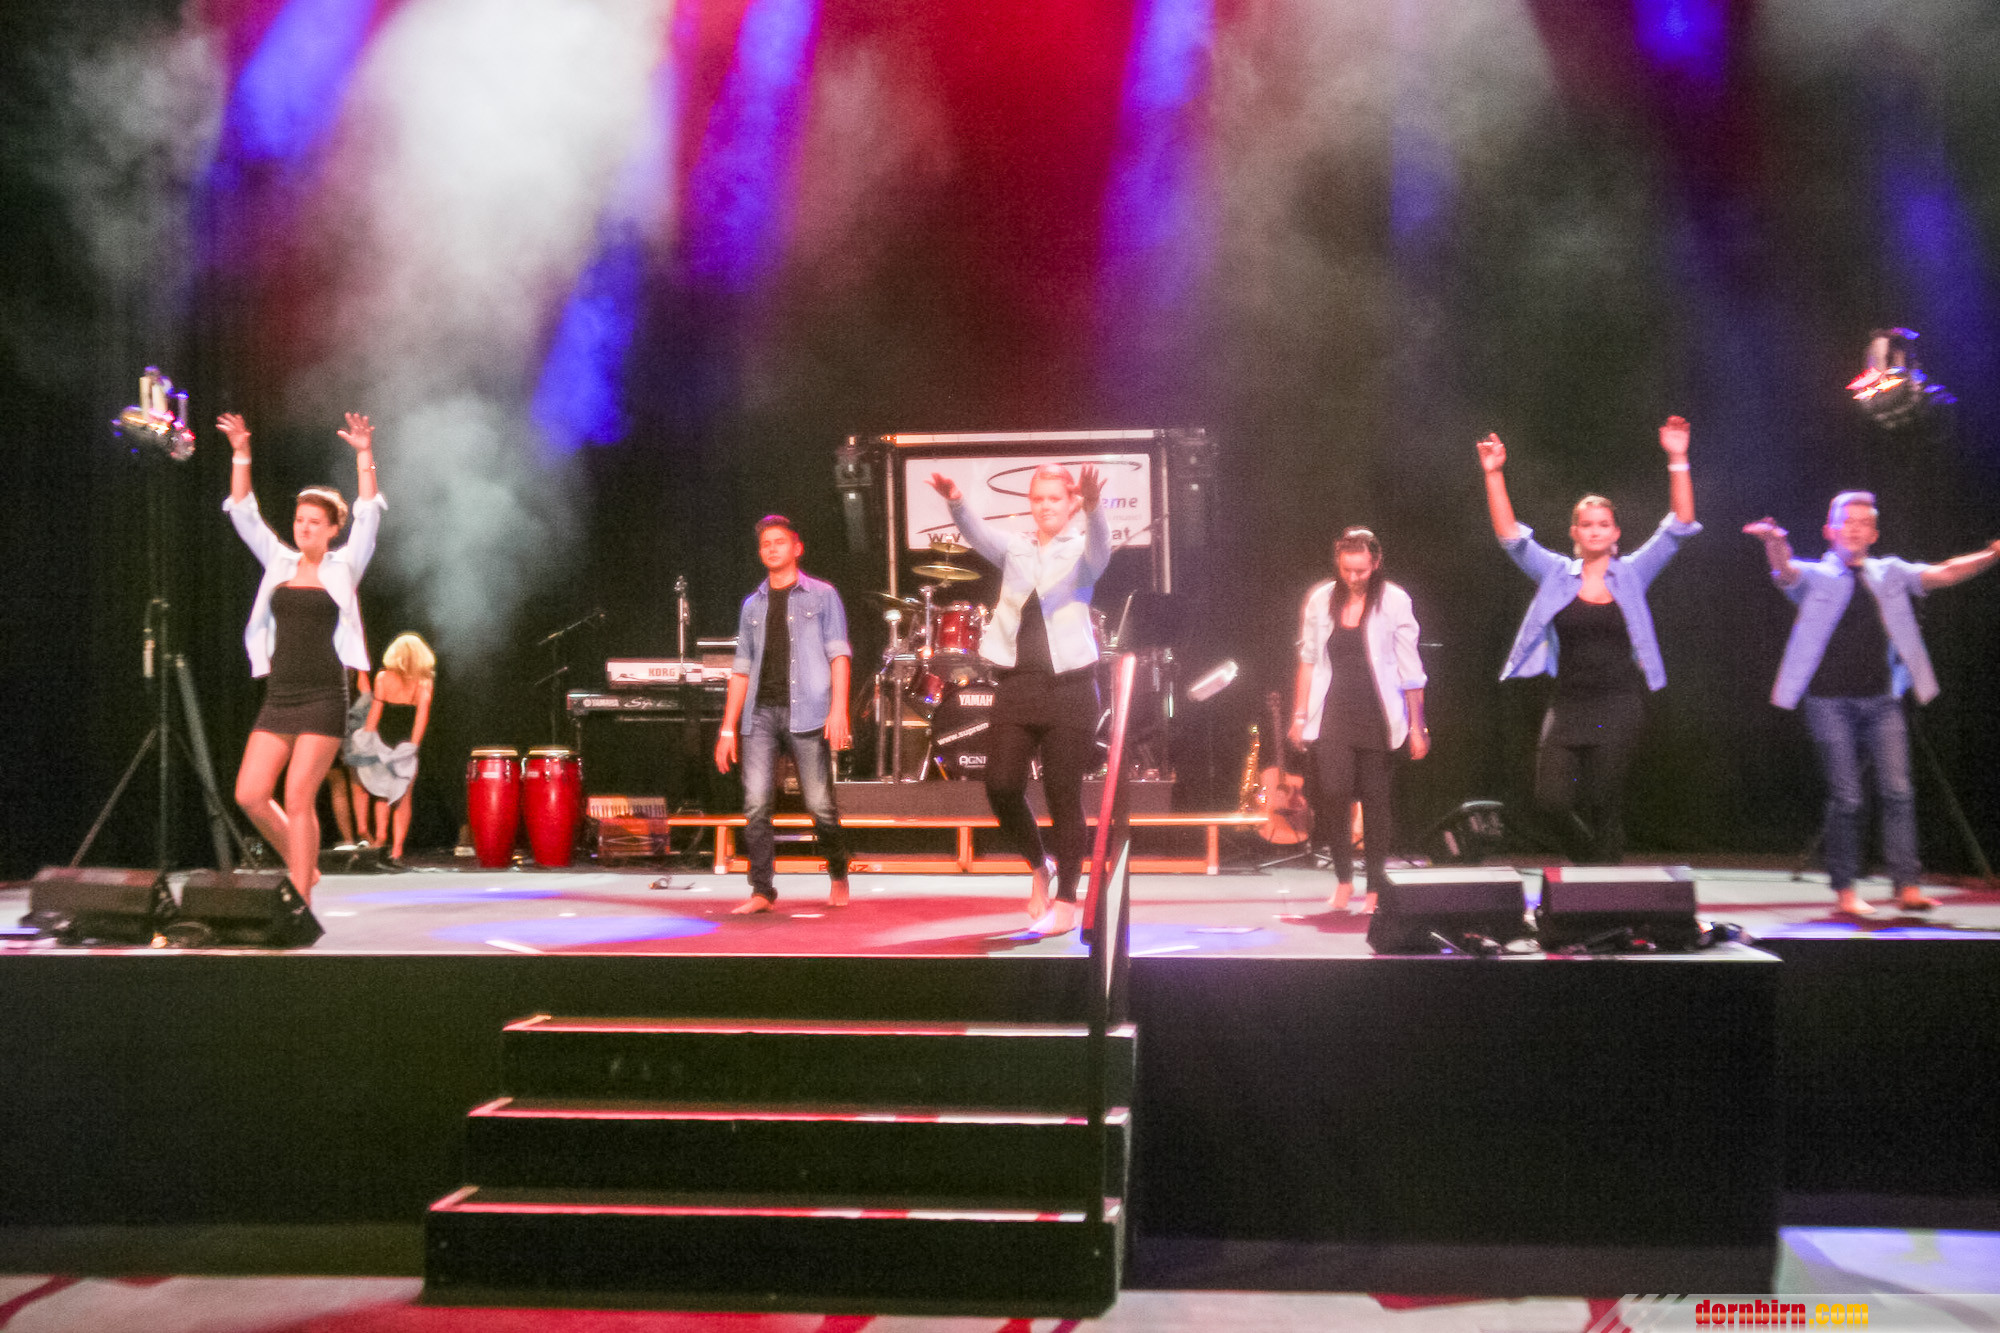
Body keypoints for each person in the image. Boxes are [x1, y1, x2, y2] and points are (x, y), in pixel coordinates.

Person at [1745, 494, 2000, 915]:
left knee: (1899, 792)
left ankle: (1907, 885)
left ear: (1874, 534)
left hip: (1884, 702)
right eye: (1846, 521)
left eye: (1863, 522)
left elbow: (1945, 573)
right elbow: (1785, 570)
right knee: (1847, 798)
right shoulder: (1816, 575)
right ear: (1830, 531)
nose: (1855, 528)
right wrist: (1774, 541)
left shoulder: (1891, 573)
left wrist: (1991, 554)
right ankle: (1845, 890)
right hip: (1829, 703)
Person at [1478, 416, 1699, 864]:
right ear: (1575, 533)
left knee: (1603, 801)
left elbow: (1680, 525)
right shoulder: (1557, 574)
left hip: (1618, 704)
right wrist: (1494, 473)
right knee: (1551, 801)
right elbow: (1510, 537)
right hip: (1568, 704)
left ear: (1615, 533)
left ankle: (1603, 882)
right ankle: (1592, 867)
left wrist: (1678, 457)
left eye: (1603, 524)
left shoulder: (1632, 573)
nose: (1595, 530)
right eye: (1587, 524)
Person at [929, 463, 1111, 936]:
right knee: (1001, 784)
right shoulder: (1017, 549)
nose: (1045, 506)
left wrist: (1094, 508)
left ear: (1071, 503)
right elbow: (977, 534)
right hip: (1018, 685)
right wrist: (956, 501)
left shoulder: (1081, 550)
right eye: (1038, 499)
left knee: (1063, 795)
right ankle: (1038, 864)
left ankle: (1067, 901)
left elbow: (1100, 549)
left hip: (1071, 688)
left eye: (1055, 498)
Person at [220, 411, 383, 901]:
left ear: (332, 529)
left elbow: (369, 513)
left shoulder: (344, 566)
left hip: (323, 696)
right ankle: (303, 866)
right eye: (299, 520)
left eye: (315, 522)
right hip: (281, 695)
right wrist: (241, 452)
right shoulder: (279, 561)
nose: (304, 528)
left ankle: (301, 900)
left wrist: (364, 456)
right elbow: (244, 512)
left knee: (297, 795)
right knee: (250, 793)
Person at [714, 515, 854, 914]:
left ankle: (838, 871)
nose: (771, 548)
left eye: (779, 541)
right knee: (756, 804)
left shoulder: (822, 595)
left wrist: (838, 710)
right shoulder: (752, 605)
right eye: (765, 544)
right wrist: (727, 728)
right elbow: (741, 668)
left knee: (819, 805)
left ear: (797, 548)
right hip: (760, 714)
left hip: (807, 710)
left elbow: (839, 654)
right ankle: (762, 890)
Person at [1288, 528, 1429, 913]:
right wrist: (1299, 715)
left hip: (1377, 713)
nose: (1353, 577)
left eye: (1361, 570)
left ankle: (1376, 887)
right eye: (1347, 569)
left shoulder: (1394, 600)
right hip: (1333, 710)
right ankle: (1343, 879)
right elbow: (1308, 660)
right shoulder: (1321, 599)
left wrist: (1417, 726)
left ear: (1376, 563)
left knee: (1376, 801)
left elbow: (1411, 669)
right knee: (1334, 794)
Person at [358, 632, 435, 866]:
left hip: (384, 737)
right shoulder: (424, 681)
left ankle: (381, 839)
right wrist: (413, 746)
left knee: (382, 792)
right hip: (405, 740)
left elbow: (376, 711)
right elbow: (421, 717)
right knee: (403, 795)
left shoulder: (382, 677)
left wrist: (367, 738)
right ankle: (397, 850)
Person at [323, 668, 373, 846]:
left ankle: (349, 839)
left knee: (337, 781)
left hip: (323, 718)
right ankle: (363, 832)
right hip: (350, 717)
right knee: (356, 778)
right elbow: (365, 691)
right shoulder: (350, 652)